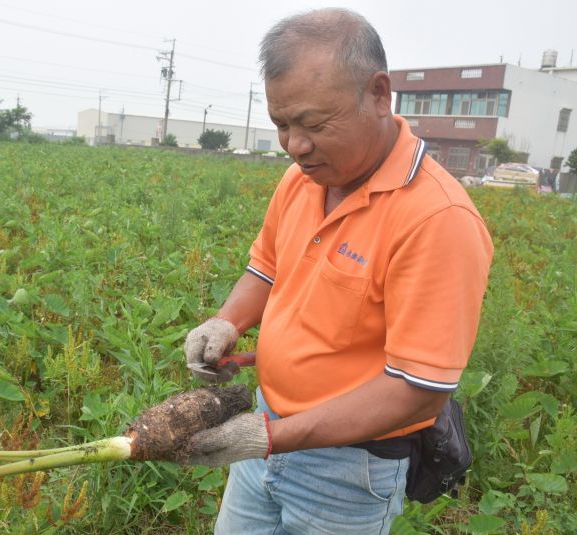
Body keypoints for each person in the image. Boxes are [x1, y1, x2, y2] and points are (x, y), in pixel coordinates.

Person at [180, 8, 494, 535]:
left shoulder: (437, 219)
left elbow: (417, 389)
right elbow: (267, 269)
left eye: (315, 124)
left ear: (378, 94)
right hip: (262, 430)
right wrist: (227, 322)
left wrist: (270, 437)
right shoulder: (302, 181)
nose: (295, 145)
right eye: (282, 125)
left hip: (349, 472)